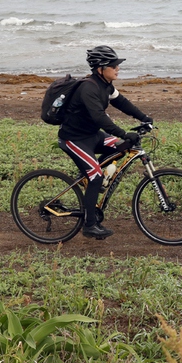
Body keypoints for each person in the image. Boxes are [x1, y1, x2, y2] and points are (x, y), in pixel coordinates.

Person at [58, 45, 153, 239]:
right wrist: (124, 132)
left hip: (93, 135)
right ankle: (89, 225)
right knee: (96, 177)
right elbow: (99, 117)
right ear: (101, 68)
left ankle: (88, 173)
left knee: (123, 147)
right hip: (74, 139)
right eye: (114, 65)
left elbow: (122, 103)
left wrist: (144, 118)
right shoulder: (88, 88)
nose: (118, 68)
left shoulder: (106, 85)